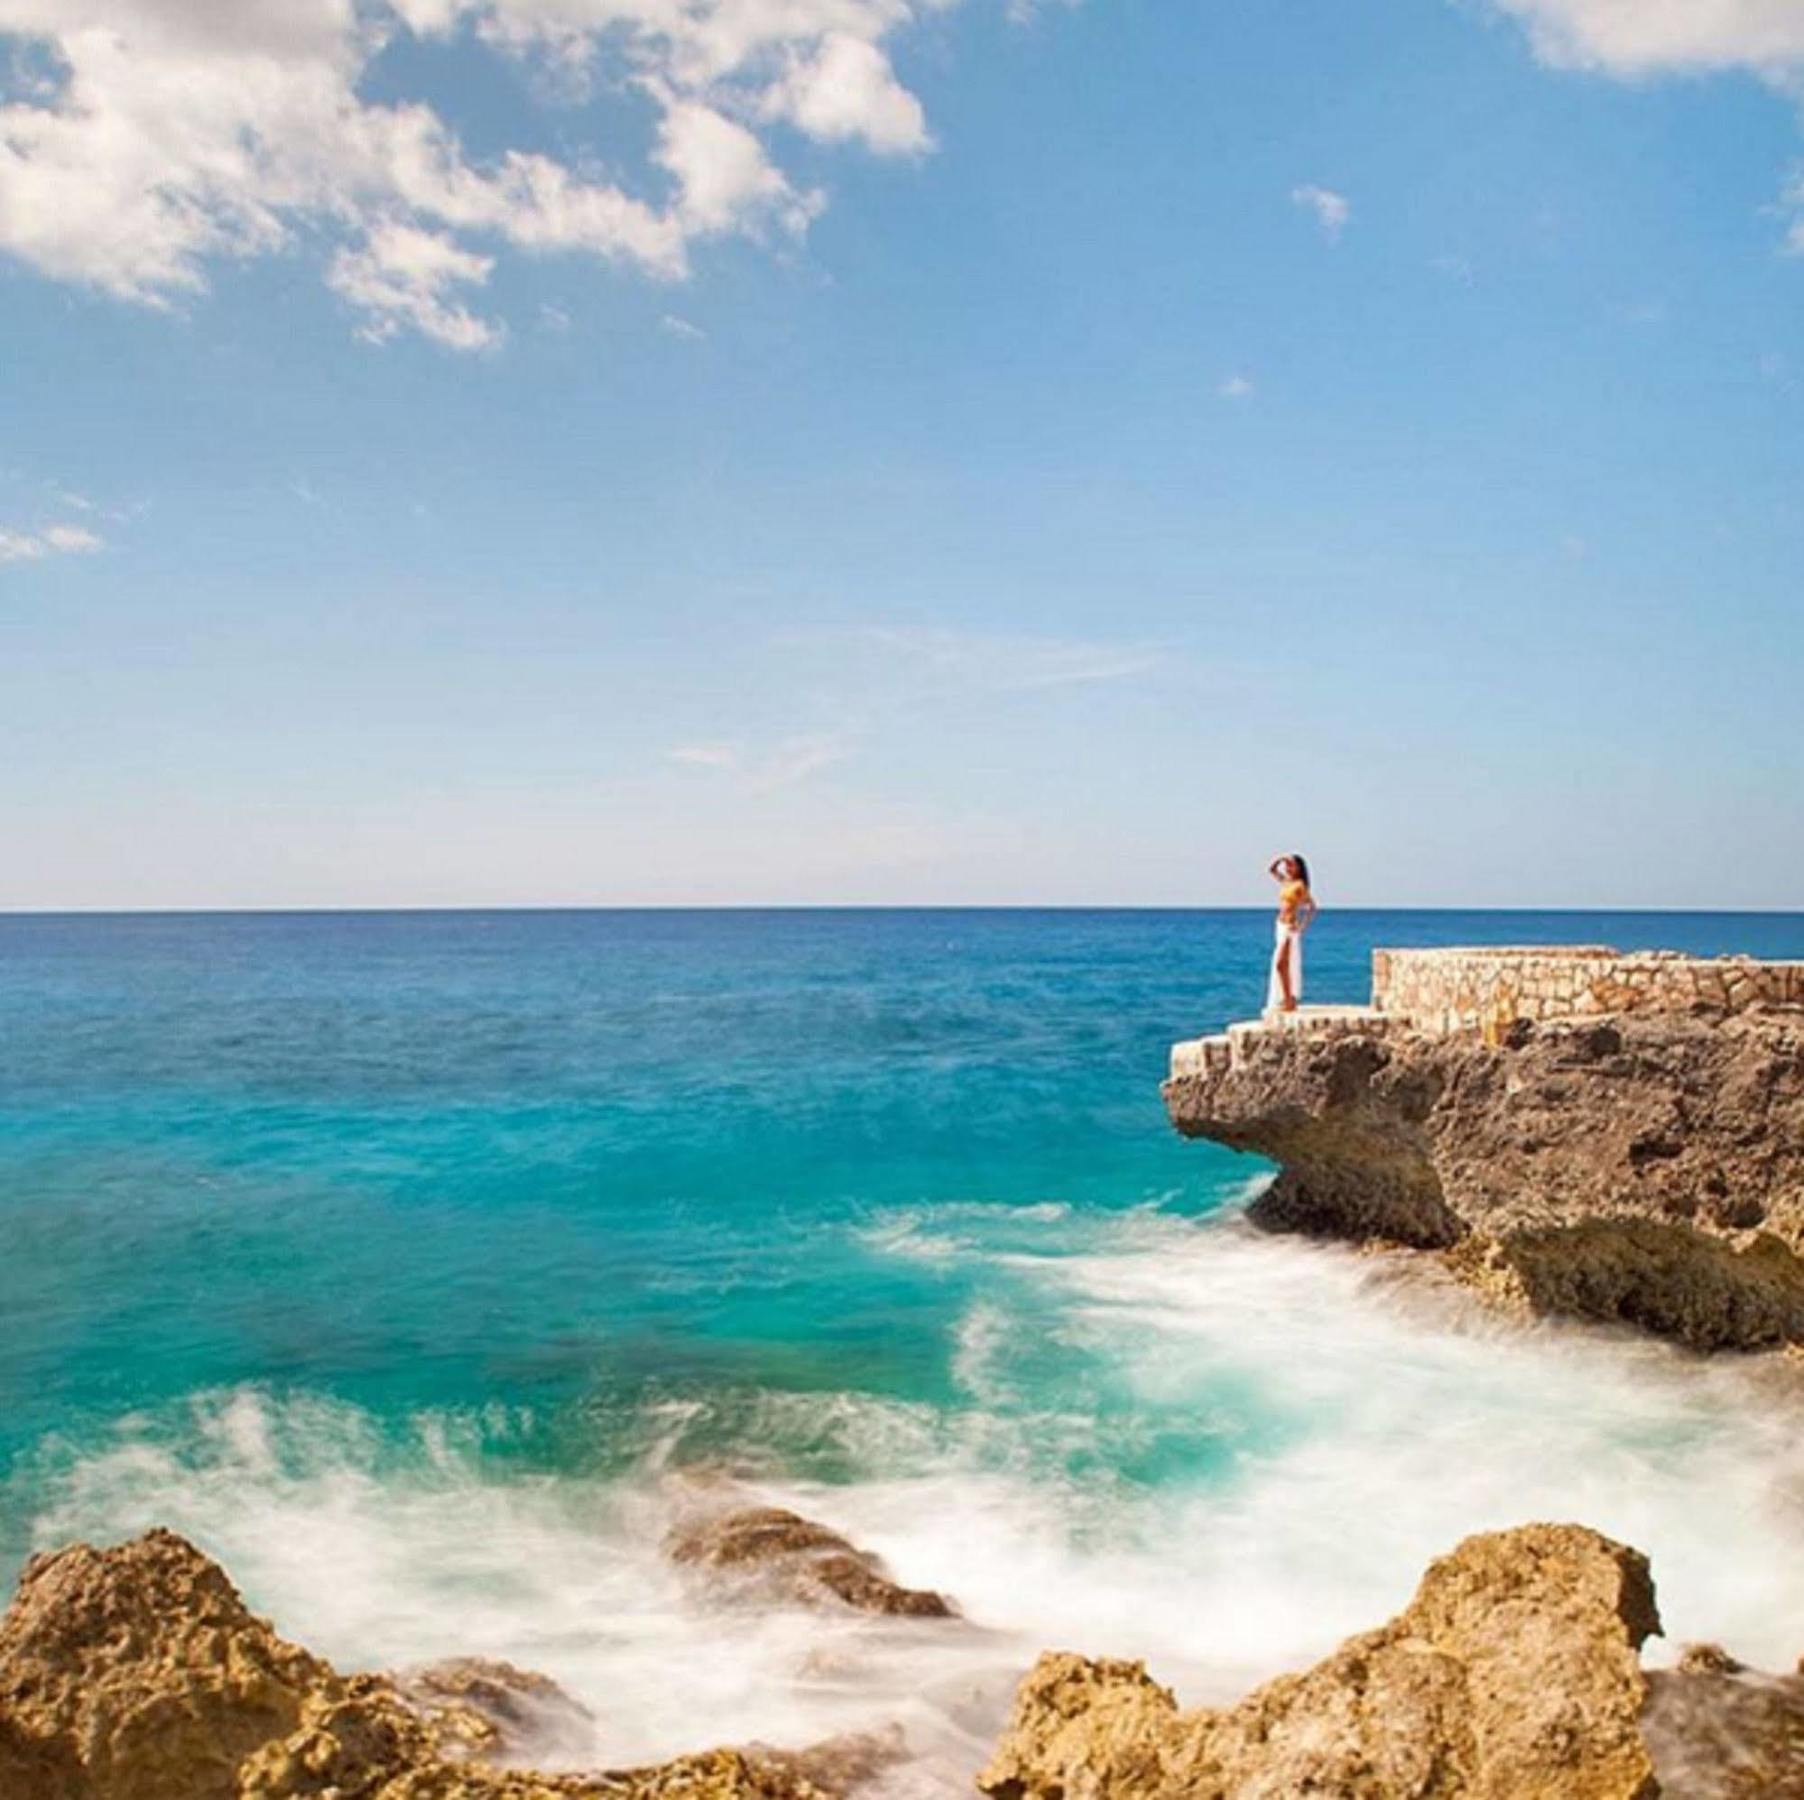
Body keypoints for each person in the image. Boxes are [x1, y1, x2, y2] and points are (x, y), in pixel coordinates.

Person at [1266, 854, 1317, 1013]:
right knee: (1282, 964)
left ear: (1299, 868)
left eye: (1292, 865)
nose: (1288, 868)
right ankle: (1287, 1000)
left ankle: (1289, 1000)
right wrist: (1282, 858)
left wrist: (1302, 926)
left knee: (1281, 964)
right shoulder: (1286, 882)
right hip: (1280, 925)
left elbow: (1312, 907)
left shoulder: (1300, 885)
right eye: (1288, 865)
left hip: (1289, 926)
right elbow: (1271, 870)